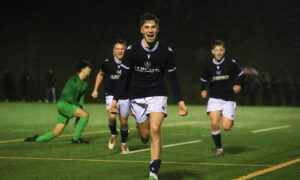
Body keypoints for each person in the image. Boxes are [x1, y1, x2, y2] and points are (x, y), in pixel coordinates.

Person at [109, 13, 188, 180]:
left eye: (153, 27)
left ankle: (153, 171)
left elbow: (172, 78)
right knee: (144, 136)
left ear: (157, 29)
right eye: (147, 27)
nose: (150, 30)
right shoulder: (132, 51)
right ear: (141, 30)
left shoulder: (166, 51)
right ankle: (139, 127)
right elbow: (123, 77)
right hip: (137, 96)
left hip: (157, 94)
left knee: (155, 129)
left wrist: (180, 101)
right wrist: (115, 100)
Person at [25, 60, 92, 144]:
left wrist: (80, 108)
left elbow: (81, 99)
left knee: (57, 132)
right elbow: (66, 95)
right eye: (88, 68)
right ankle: (76, 139)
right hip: (63, 104)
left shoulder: (84, 84)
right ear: (83, 69)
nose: (90, 69)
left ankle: (36, 139)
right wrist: (78, 108)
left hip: (69, 106)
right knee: (85, 115)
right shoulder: (73, 79)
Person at [200, 40, 244, 156]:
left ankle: (229, 117)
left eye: (221, 50)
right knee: (214, 123)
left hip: (229, 98)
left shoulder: (231, 63)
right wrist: (203, 89)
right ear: (212, 51)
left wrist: (239, 85)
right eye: (216, 50)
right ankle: (219, 148)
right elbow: (204, 80)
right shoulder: (208, 65)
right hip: (214, 98)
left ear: (224, 51)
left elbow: (241, 74)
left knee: (226, 127)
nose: (218, 52)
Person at [91, 39, 130, 154]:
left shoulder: (129, 63)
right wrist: (95, 89)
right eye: (117, 49)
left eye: (122, 49)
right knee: (112, 117)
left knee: (123, 122)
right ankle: (113, 133)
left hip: (125, 96)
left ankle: (123, 144)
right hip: (111, 95)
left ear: (126, 50)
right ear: (113, 51)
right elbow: (100, 74)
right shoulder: (107, 63)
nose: (120, 51)